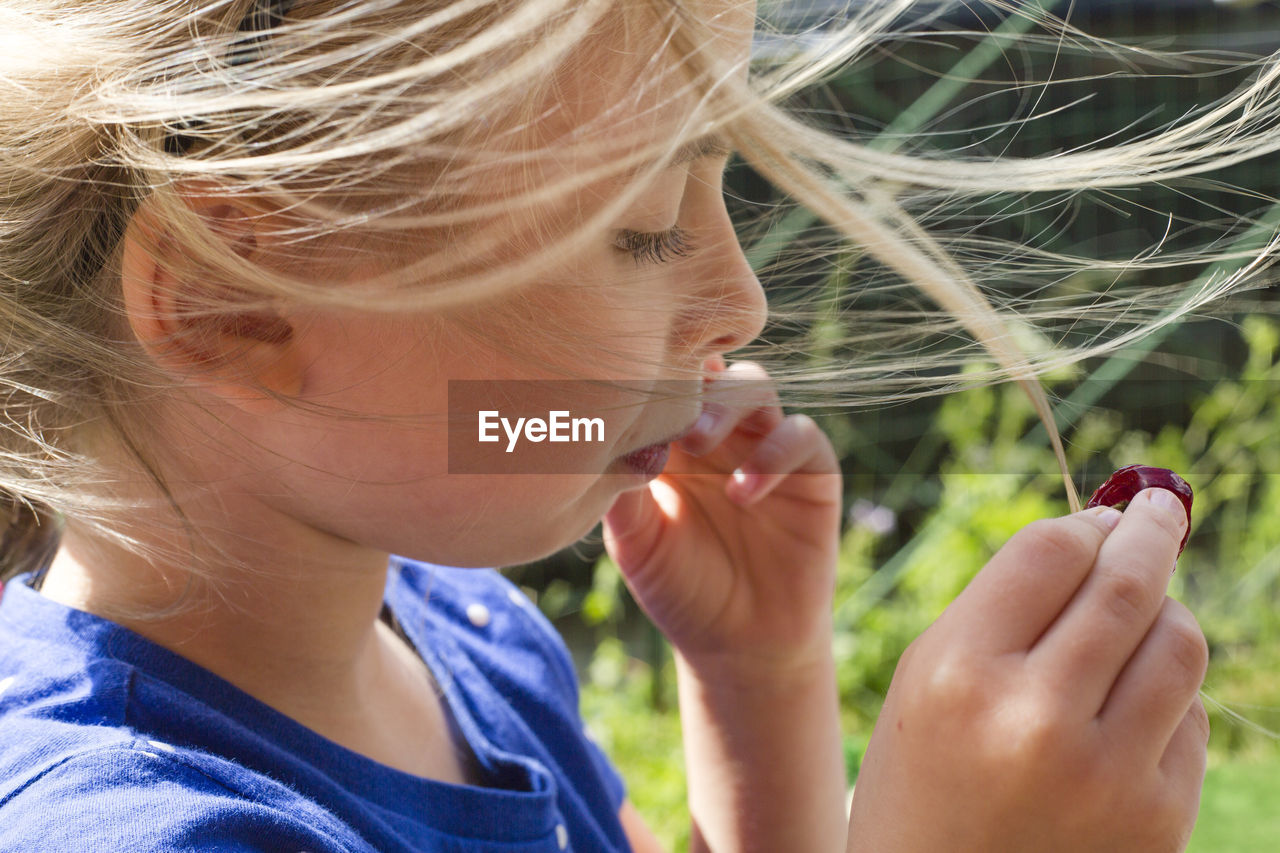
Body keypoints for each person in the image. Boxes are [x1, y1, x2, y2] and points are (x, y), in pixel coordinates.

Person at [0, 0, 1219, 850]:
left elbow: (490, 423)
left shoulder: (468, 643)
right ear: (232, 299)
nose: (737, 297)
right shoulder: (137, 828)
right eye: (642, 226)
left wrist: (758, 679)